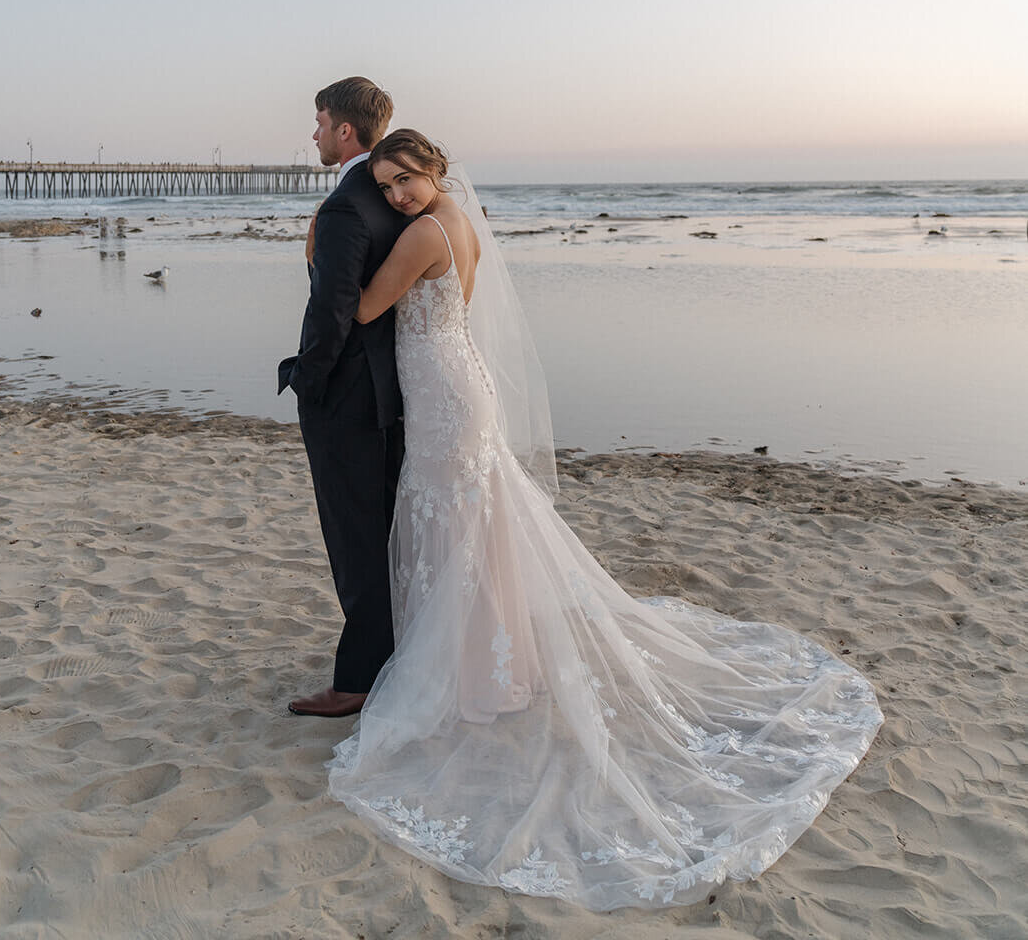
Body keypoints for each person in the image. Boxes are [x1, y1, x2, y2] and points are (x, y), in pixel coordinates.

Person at [324, 128, 883, 911]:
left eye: (405, 179)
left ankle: (467, 676)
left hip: (446, 398)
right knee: (472, 529)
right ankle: (488, 665)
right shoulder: (458, 222)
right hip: (454, 384)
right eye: (384, 186)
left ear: (434, 172)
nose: (395, 196)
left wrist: (318, 252)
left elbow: (368, 305)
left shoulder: (421, 233)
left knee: (455, 527)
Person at [277, 76, 404, 718]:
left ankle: (356, 681)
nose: (316, 134)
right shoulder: (395, 200)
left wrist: (309, 383)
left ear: (345, 130)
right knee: (385, 534)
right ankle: (394, 657)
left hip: (349, 401)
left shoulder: (344, 207)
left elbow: (332, 311)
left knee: (354, 542)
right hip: (396, 395)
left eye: (320, 121)